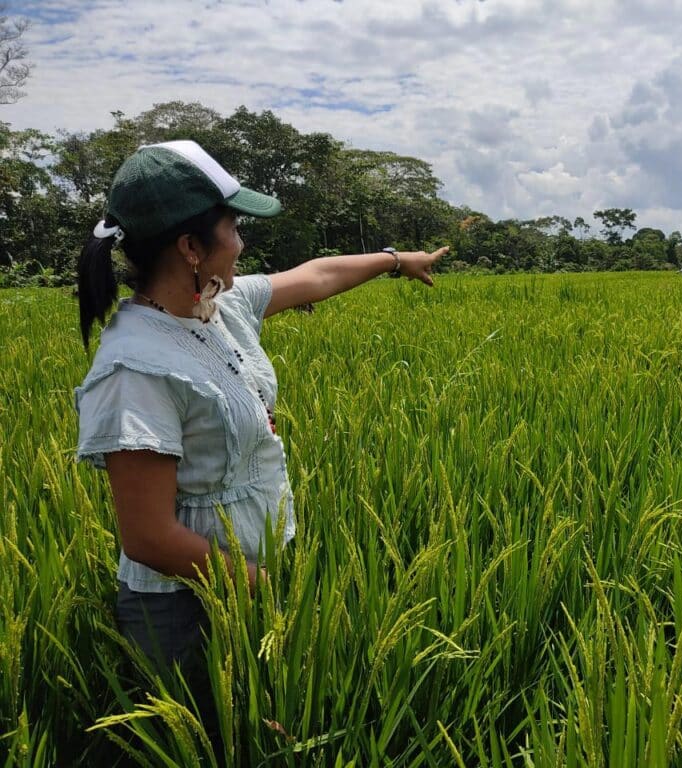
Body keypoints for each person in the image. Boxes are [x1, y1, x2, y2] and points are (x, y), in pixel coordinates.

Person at [74, 139, 446, 739]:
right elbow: (146, 536)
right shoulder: (135, 368)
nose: (242, 244)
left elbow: (316, 275)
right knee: (206, 740)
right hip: (185, 607)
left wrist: (397, 259)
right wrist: (256, 585)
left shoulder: (217, 307)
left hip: (246, 575)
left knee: (261, 730)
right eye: (234, 228)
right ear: (191, 247)